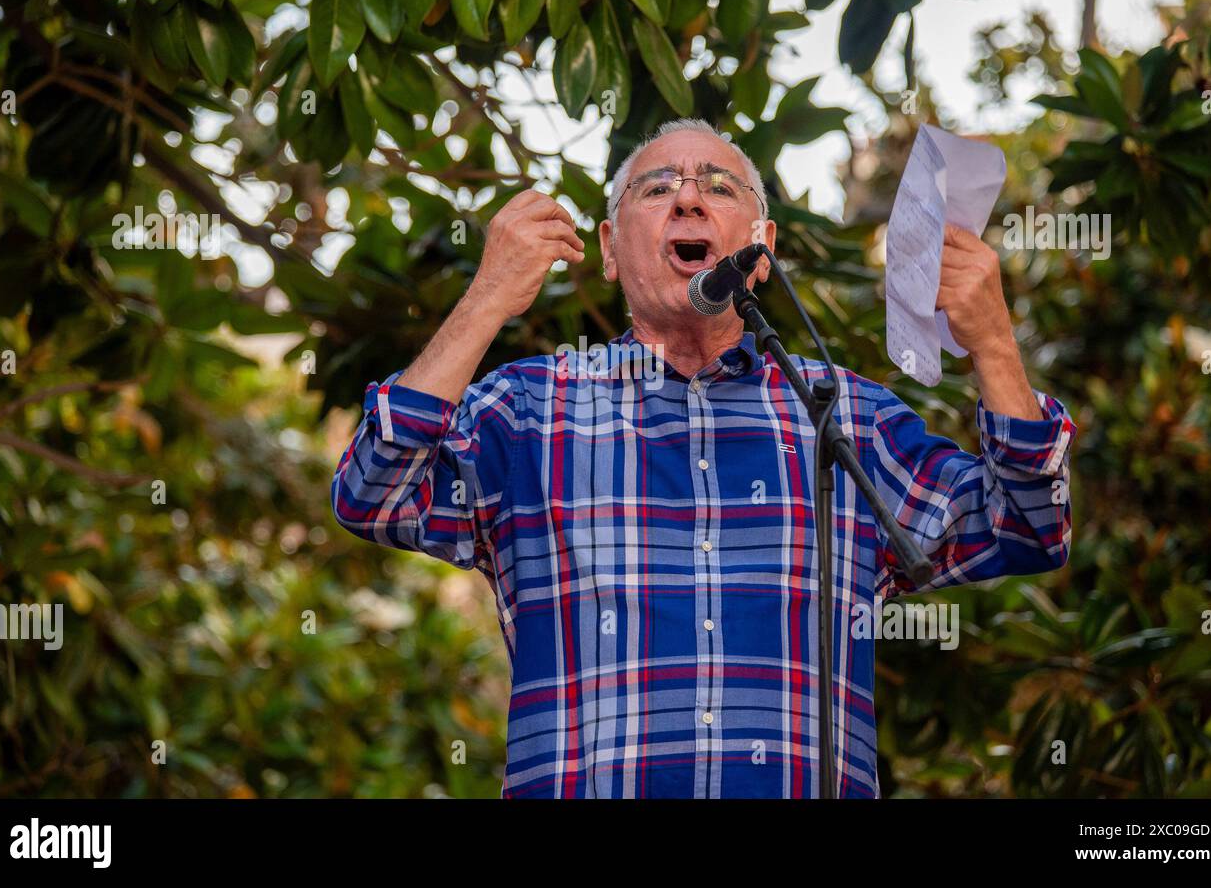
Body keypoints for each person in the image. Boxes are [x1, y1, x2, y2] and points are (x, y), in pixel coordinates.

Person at [330, 118, 1076, 798]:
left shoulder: (847, 416)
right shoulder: (529, 410)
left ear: (762, 251)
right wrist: (486, 298)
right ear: (611, 251)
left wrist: (994, 344)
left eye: (719, 187)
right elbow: (374, 493)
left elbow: (1027, 527)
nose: (689, 200)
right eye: (658, 188)